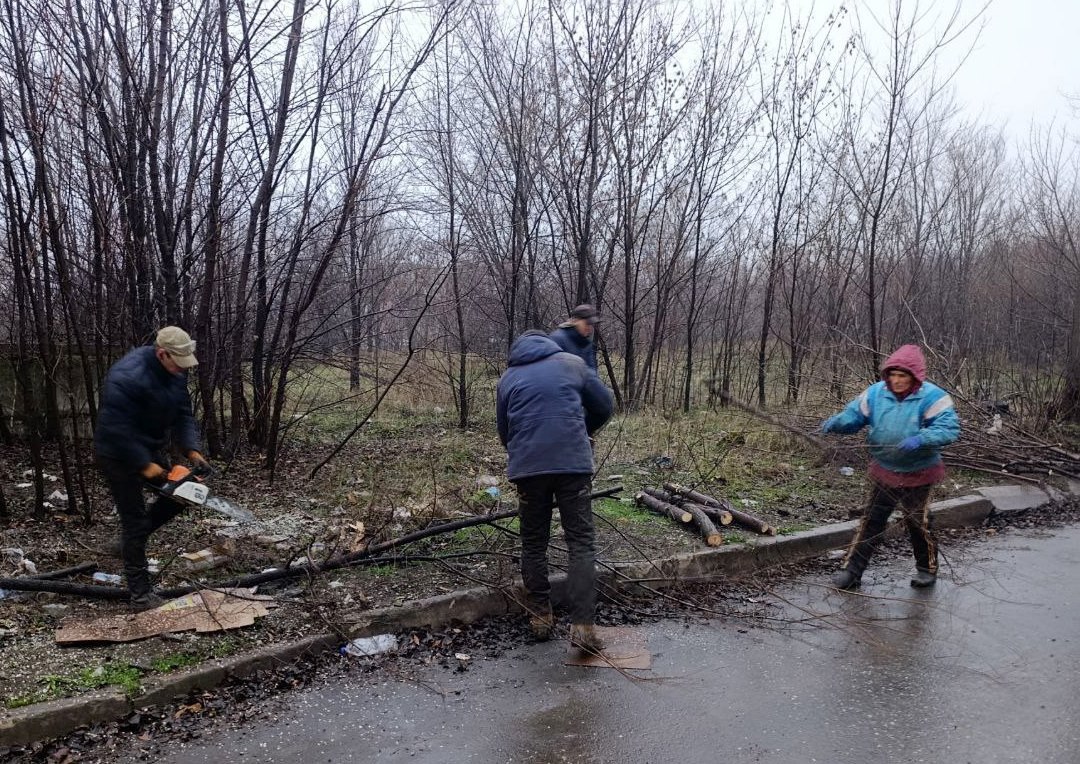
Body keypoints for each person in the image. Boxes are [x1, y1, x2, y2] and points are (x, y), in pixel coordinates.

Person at [496, 330, 614, 651]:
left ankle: (540, 617)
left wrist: (526, 453)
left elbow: (505, 432)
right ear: (549, 345)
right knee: (580, 542)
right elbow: (605, 405)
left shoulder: (508, 377)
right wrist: (580, 429)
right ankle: (583, 626)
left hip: (528, 469)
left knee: (534, 542)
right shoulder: (572, 363)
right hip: (572, 466)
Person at [821, 344, 960, 590]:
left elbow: (948, 429)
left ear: (914, 377)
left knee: (917, 521)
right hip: (884, 468)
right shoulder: (876, 394)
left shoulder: (933, 397)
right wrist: (837, 423)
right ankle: (852, 571)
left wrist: (921, 439)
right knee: (872, 520)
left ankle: (926, 569)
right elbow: (854, 416)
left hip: (920, 470)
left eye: (902, 376)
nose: (896, 381)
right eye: (893, 375)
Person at [93, 327, 209, 609]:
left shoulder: (176, 374)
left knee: (186, 493)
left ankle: (131, 541)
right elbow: (114, 429)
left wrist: (191, 448)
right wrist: (143, 465)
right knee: (133, 521)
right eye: (178, 363)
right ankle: (141, 594)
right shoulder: (127, 377)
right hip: (118, 454)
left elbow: (183, 413)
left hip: (148, 449)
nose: (182, 369)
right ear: (162, 354)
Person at [549, 303, 599, 372]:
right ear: (576, 321)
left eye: (591, 324)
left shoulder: (586, 343)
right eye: (587, 323)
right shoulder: (557, 339)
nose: (589, 328)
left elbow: (591, 373)